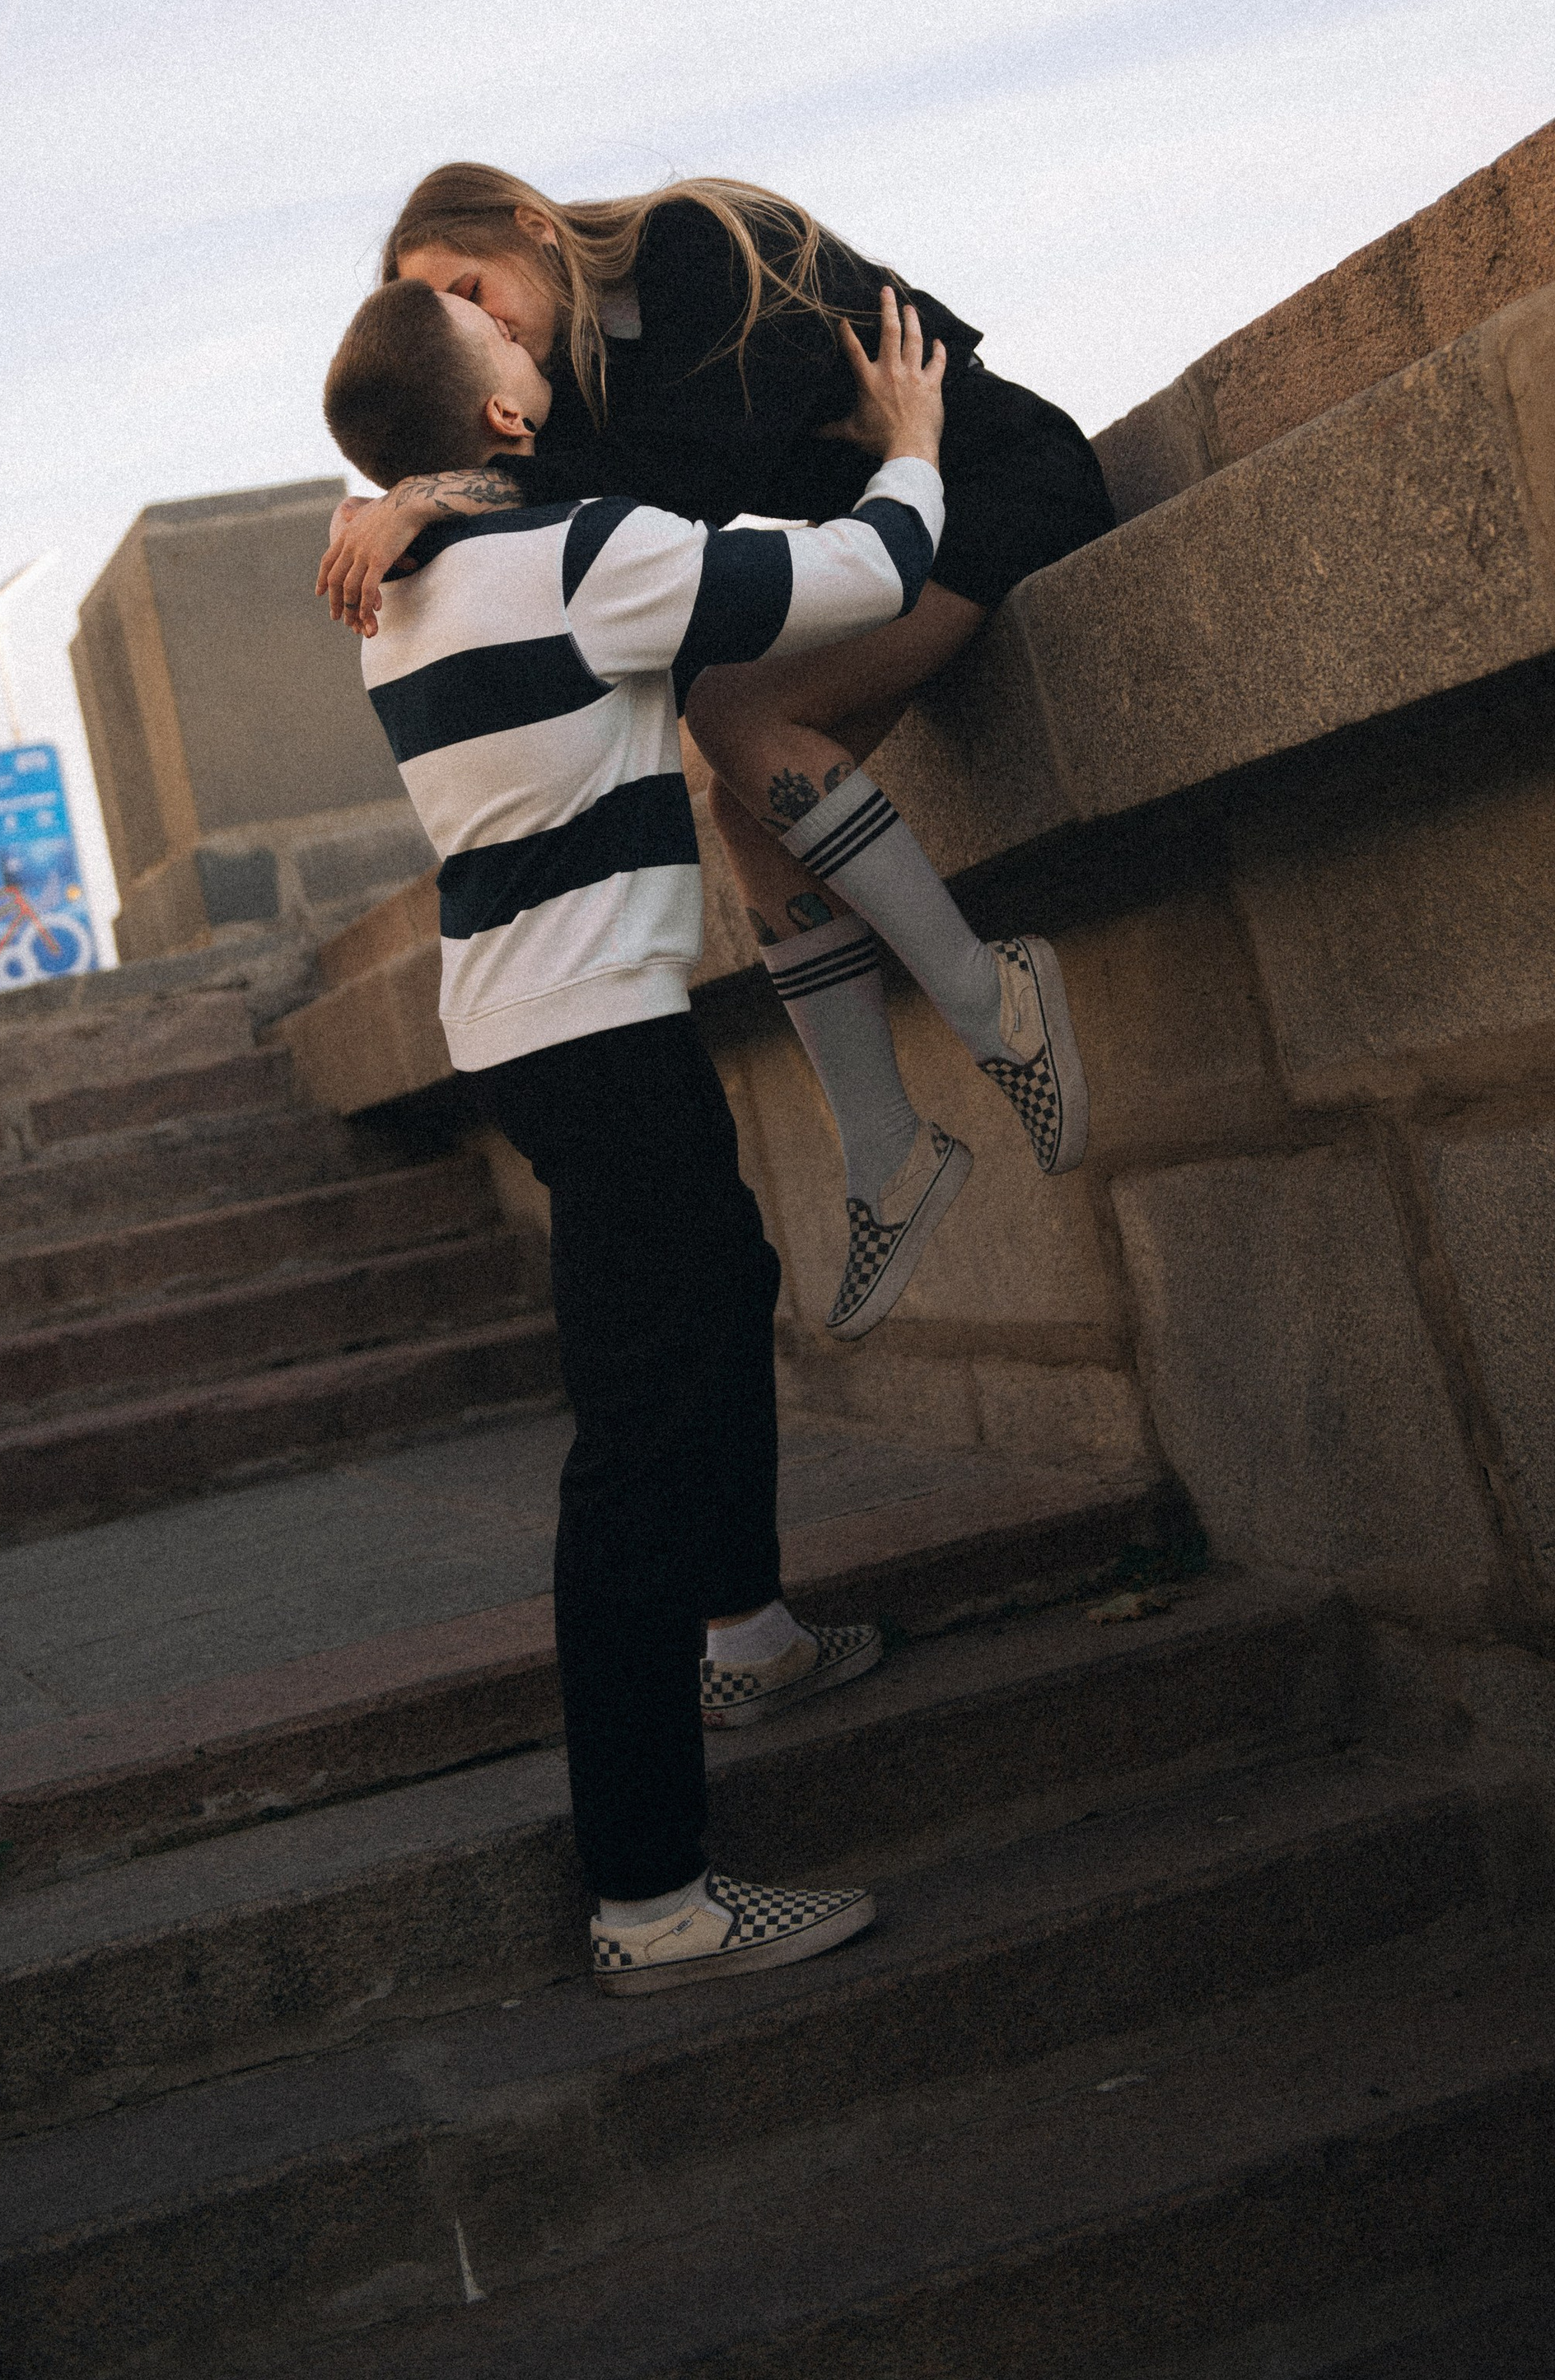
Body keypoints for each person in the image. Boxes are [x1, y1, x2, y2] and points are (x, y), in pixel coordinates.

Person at [320, 272, 958, 1993]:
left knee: (720, 1274)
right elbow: (865, 577)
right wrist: (907, 442)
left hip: (534, 1028)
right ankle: (650, 1893)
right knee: (628, 1446)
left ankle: (746, 1629)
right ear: (506, 421)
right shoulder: (581, 557)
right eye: (514, 353)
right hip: (596, 1033)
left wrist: (407, 491)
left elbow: (405, 474)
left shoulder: (401, 577)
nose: (536, 349)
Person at [319, 167, 1104, 1334]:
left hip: (993, 483)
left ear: (533, 229)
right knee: (747, 803)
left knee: (734, 721)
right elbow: (593, 520)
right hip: (903, 519)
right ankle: (886, 1149)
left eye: (472, 291)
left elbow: (682, 484)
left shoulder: (706, 243)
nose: (484, 328)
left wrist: (440, 488)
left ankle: (994, 1000)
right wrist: (449, 491)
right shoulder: (580, 385)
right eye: (458, 324)